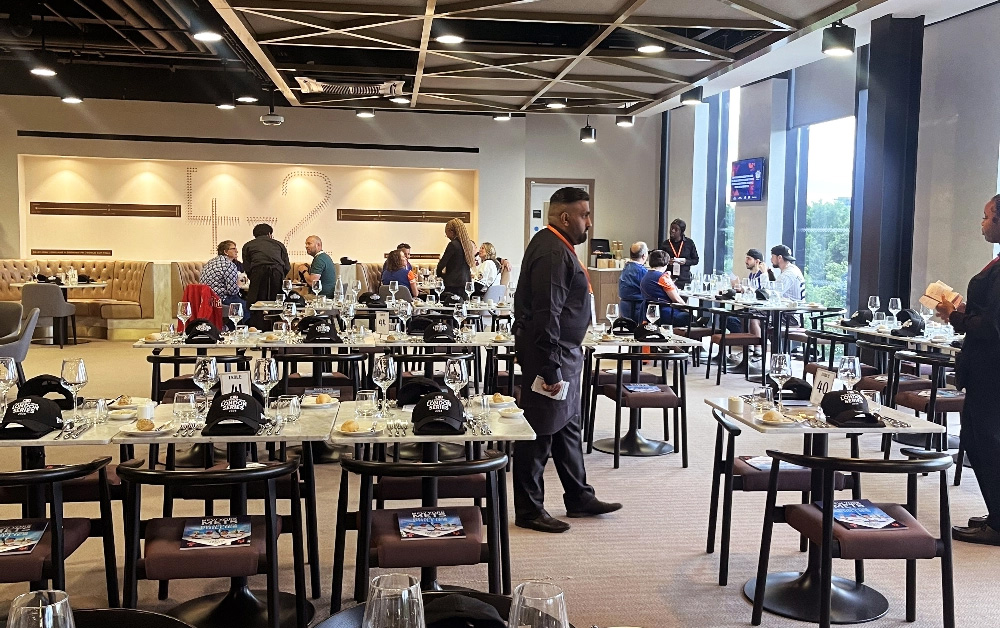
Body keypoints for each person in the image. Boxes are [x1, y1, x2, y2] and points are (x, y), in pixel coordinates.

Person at [513, 187, 621, 533]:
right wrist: (550, 367)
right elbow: (547, 312)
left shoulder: (557, 246)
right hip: (551, 354)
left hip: (565, 353)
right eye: (584, 215)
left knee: (567, 427)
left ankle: (579, 496)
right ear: (564, 217)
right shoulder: (551, 251)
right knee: (540, 430)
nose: (589, 222)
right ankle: (529, 510)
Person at [937, 195, 1000, 546]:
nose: (982, 223)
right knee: (977, 440)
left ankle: (999, 524)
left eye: (986, 216)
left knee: (985, 442)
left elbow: (992, 327)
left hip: (992, 370)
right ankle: (997, 513)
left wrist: (955, 316)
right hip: (985, 368)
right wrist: (962, 312)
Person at [242, 223, 290, 327]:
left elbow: (247, 267)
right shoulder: (279, 244)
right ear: (269, 234)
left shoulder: (248, 245)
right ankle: (276, 327)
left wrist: (254, 278)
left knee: (256, 303)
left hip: (257, 273)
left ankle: (257, 327)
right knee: (278, 302)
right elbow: (287, 266)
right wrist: (281, 276)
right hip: (277, 272)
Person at [639, 249, 692, 326]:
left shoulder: (646, 276)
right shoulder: (663, 277)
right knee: (691, 318)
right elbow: (677, 299)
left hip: (649, 312)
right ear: (666, 263)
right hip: (666, 312)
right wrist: (689, 310)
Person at [200, 240, 247, 321]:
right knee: (246, 307)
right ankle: (241, 327)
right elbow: (232, 291)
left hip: (206, 298)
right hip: (220, 298)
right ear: (225, 252)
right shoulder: (228, 264)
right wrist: (239, 284)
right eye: (233, 249)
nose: (237, 251)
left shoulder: (211, 262)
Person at [770, 244, 805, 329]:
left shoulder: (788, 274)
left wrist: (764, 274)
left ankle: (759, 338)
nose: (771, 259)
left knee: (754, 318)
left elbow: (773, 295)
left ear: (779, 258)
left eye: (772, 256)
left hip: (791, 316)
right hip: (792, 313)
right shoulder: (792, 269)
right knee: (752, 315)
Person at [658, 218, 699, 289]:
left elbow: (696, 260)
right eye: (671, 228)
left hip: (684, 279)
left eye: (676, 229)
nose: (672, 231)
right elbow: (659, 261)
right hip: (669, 279)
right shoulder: (665, 244)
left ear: (681, 231)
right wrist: (667, 261)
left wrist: (685, 261)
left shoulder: (689, 243)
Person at [437, 218, 476, 291]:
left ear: (451, 232)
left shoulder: (453, 245)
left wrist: (440, 276)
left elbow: (441, 265)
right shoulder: (468, 245)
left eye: (446, 233)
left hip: (453, 284)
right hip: (466, 282)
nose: (447, 236)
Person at [618, 242, 648, 323]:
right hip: (637, 307)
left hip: (624, 307)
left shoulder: (626, 267)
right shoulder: (641, 271)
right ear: (644, 255)